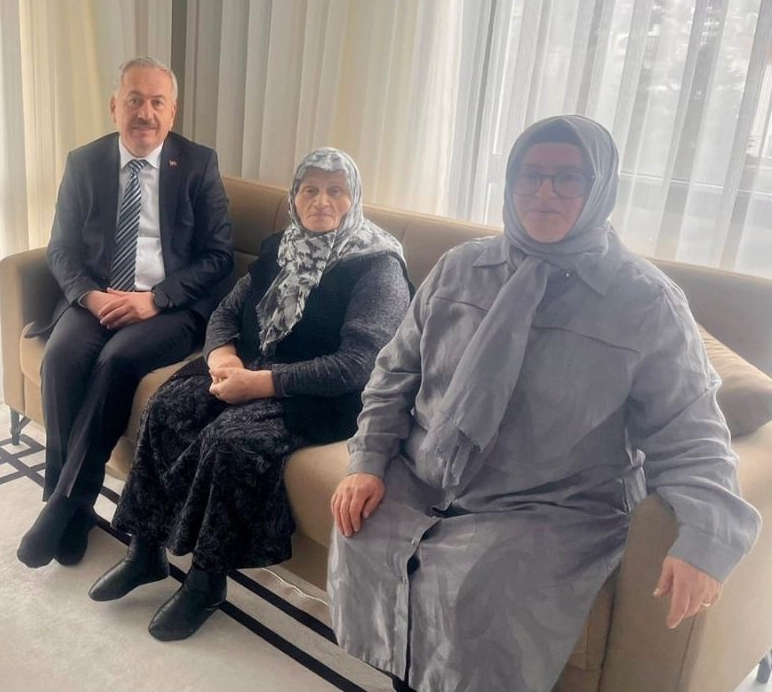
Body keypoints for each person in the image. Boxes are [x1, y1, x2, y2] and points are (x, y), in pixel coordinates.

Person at [326, 115, 761, 692]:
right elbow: (394, 373)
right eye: (529, 176)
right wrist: (367, 462)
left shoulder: (646, 302)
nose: (544, 193)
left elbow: (690, 429)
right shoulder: (460, 269)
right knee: (360, 531)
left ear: (600, 188)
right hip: (425, 476)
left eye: (568, 178)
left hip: (551, 502)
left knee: (480, 592)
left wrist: (707, 537)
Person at [88, 148, 410, 641]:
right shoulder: (283, 246)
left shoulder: (377, 268)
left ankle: (206, 582)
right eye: (309, 189)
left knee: (231, 442)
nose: (321, 201)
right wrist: (222, 357)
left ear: (355, 198)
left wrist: (259, 383)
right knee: (169, 407)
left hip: (323, 394)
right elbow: (227, 311)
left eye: (336, 190)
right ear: (294, 197)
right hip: (252, 365)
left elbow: (357, 366)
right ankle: (146, 551)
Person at [15, 57, 233, 568]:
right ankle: (71, 514)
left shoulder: (198, 164)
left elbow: (218, 256)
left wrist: (154, 299)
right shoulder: (84, 162)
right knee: (62, 358)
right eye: (134, 100)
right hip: (98, 295)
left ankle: (62, 504)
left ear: (173, 112)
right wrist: (89, 296)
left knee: (116, 361)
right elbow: (61, 248)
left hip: (169, 306)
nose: (145, 114)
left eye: (157, 102)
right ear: (115, 106)